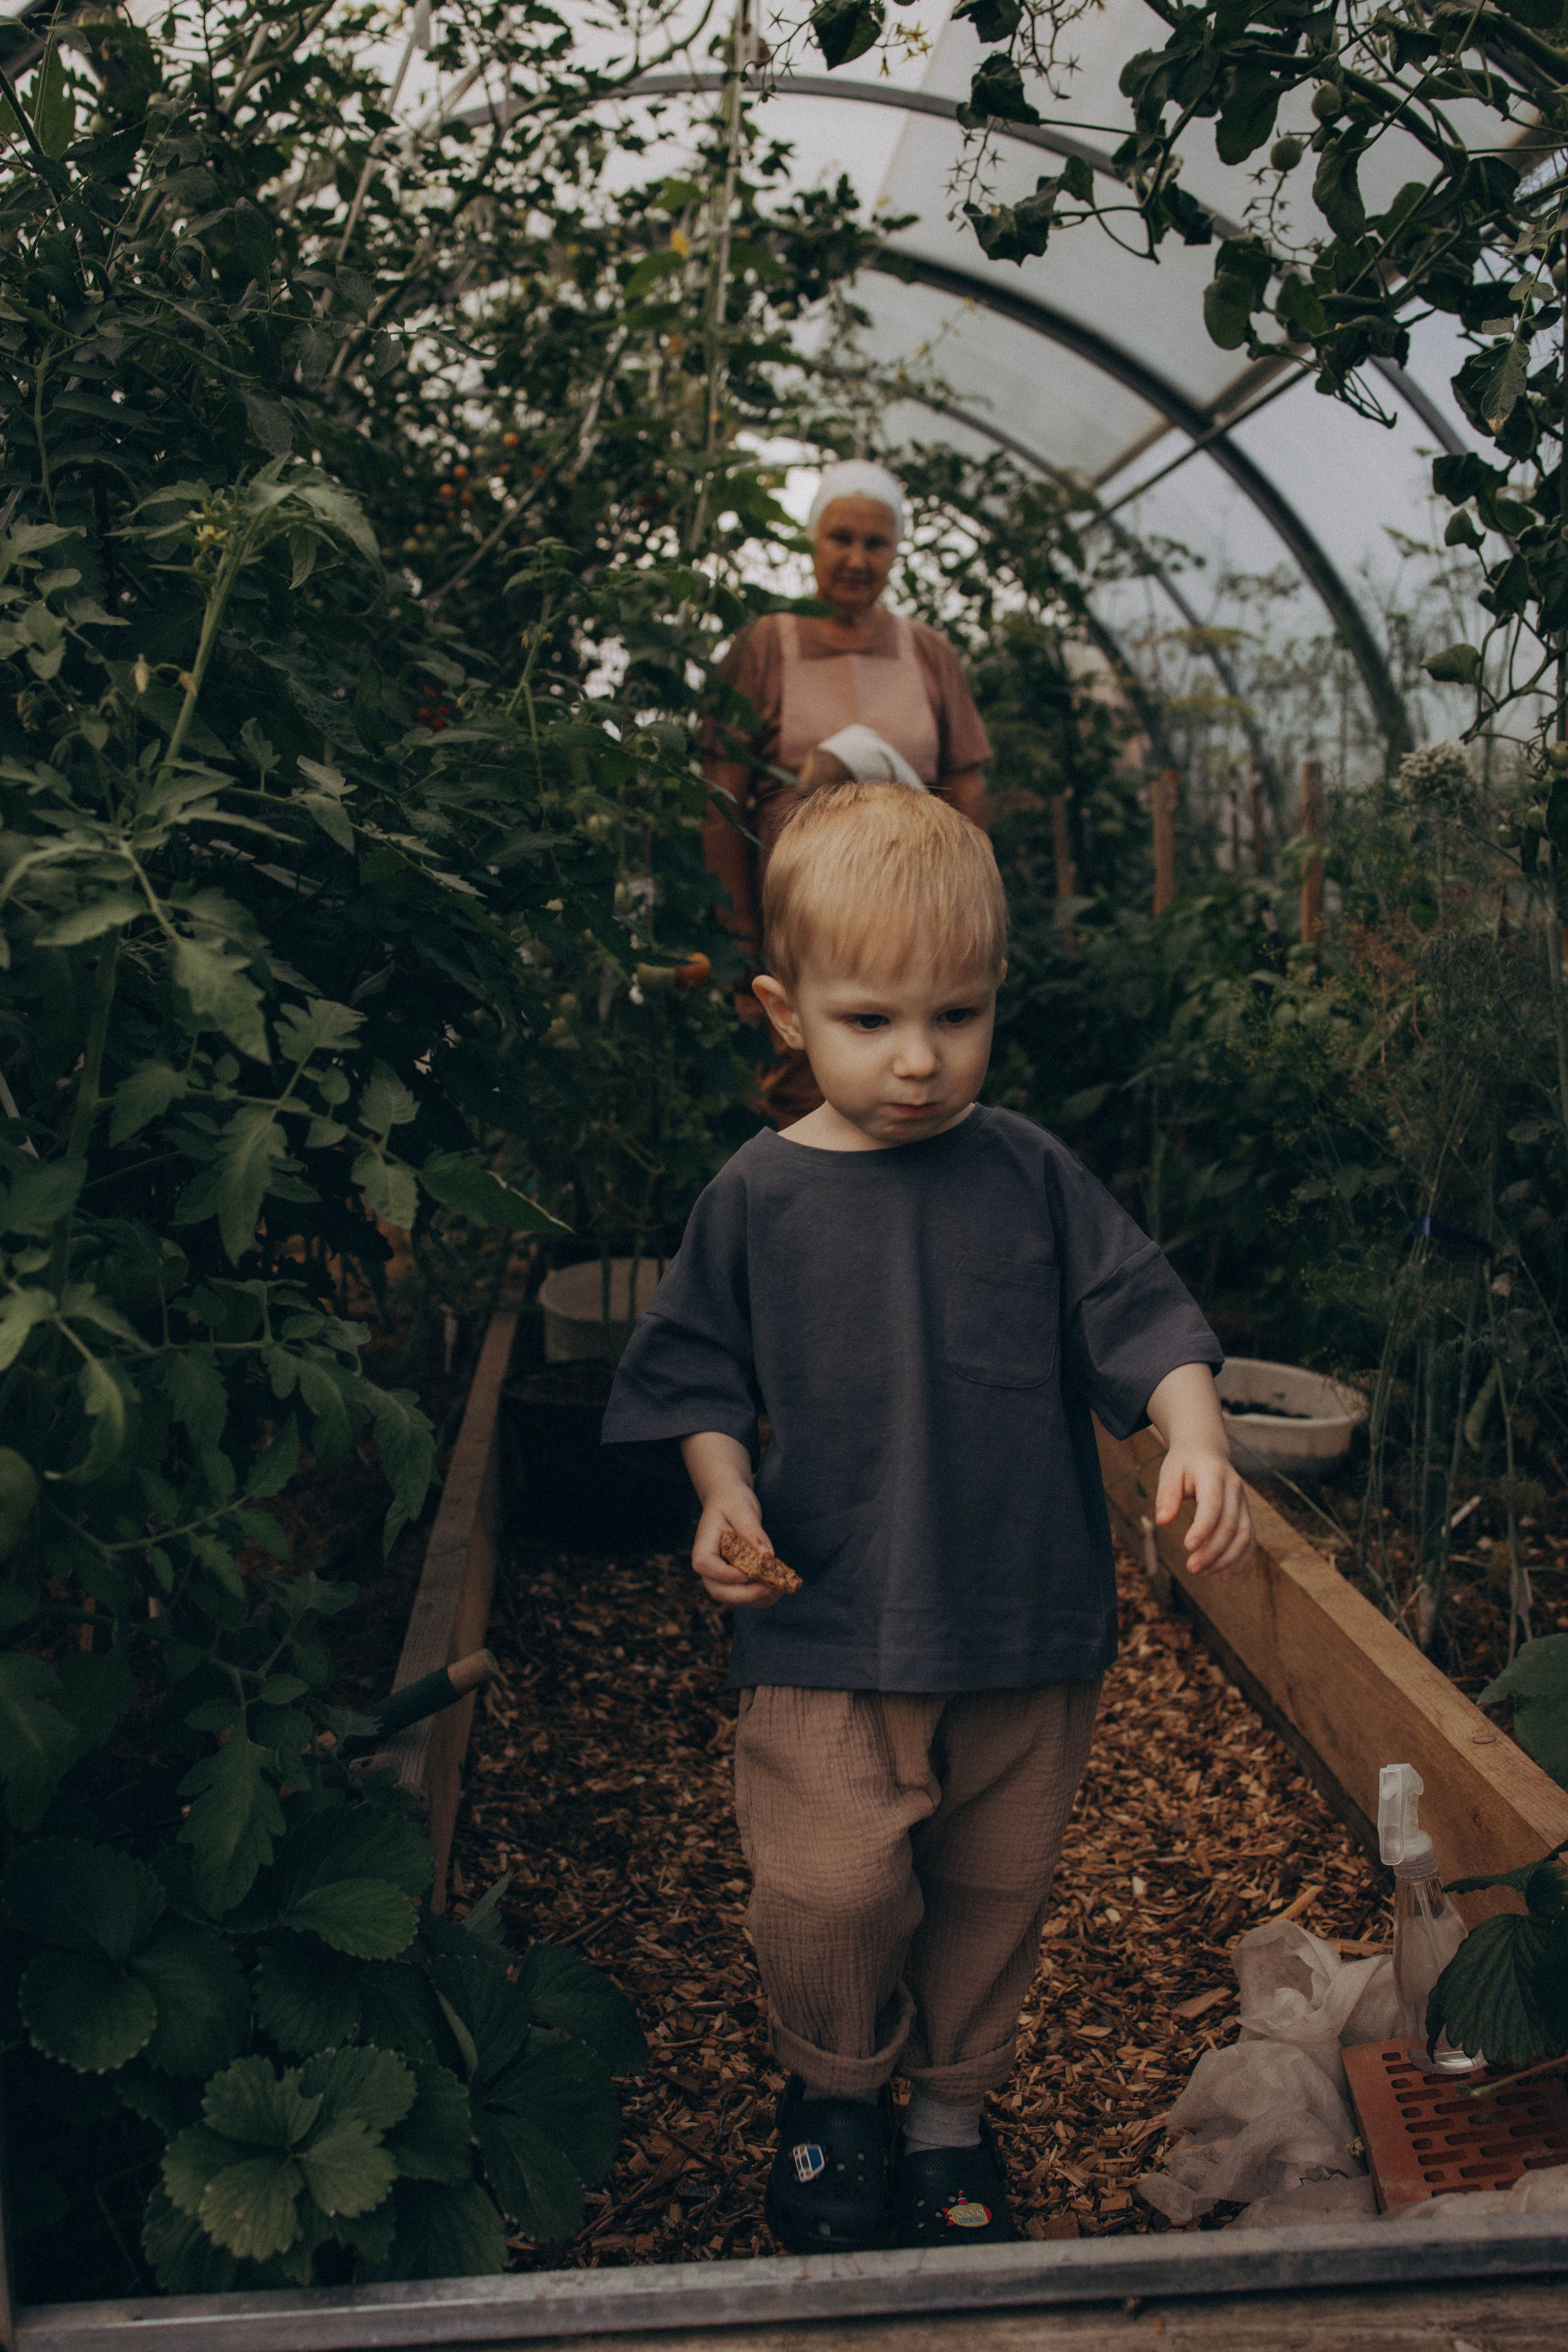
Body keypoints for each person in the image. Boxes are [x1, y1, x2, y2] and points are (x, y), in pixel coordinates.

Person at [601, 783, 1254, 2253]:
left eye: (954, 1016)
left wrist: (1196, 1433)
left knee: (988, 1881)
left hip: (1019, 1617)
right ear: (783, 1010)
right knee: (827, 1884)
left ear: (992, 1000)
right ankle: (834, 2092)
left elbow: (1136, 1314)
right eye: (870, 1019)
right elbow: (695, 1367)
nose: (915, 1060)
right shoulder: (756, 1198)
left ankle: (949, 2110)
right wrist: (720, 1488)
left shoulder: (1025, 1174)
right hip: (821, 1609)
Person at [703, 459, 991, 1124]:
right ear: (812, 541)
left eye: (876, 543)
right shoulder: (765, 643)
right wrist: (741, 937)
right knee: (807, 1106)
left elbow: (969, 788)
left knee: (913, 1094)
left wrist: (971, 902)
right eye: (841, 539)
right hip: (801, 927)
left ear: (896, 552)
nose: (857, 559)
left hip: (918, 925)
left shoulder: (927, 651)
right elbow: (721, 801)